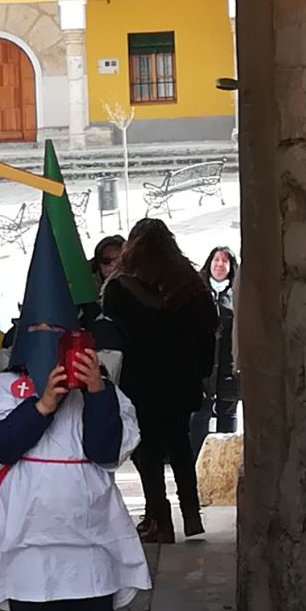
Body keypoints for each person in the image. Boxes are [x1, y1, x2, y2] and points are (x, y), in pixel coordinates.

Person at [0, 216, 150, 611]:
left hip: (87, 538)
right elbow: (0, 445)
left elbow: (105, 450)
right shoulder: (6, 387)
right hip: (28, 540)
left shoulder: (105, 390)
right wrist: (44, 404)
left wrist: (93, 390)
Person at [101, 218, 216, 544]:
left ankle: (159, 520)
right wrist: (201, 372)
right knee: (180, 445)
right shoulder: (190, 284)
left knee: (147, 452)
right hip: (181, 380)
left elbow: (113, 340)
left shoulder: (121, 288)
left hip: (141, 383)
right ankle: (191, 516)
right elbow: (208, 331)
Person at [190, 246, 240, 461]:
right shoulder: (197, 293)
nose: (220, 264)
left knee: (227, 417)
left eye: (225, 261)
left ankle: (225, 466)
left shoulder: (236, 295)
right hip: (203, 368)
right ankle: (199, 464)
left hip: (228, 368)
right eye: (216, 260)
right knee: (200, 418)